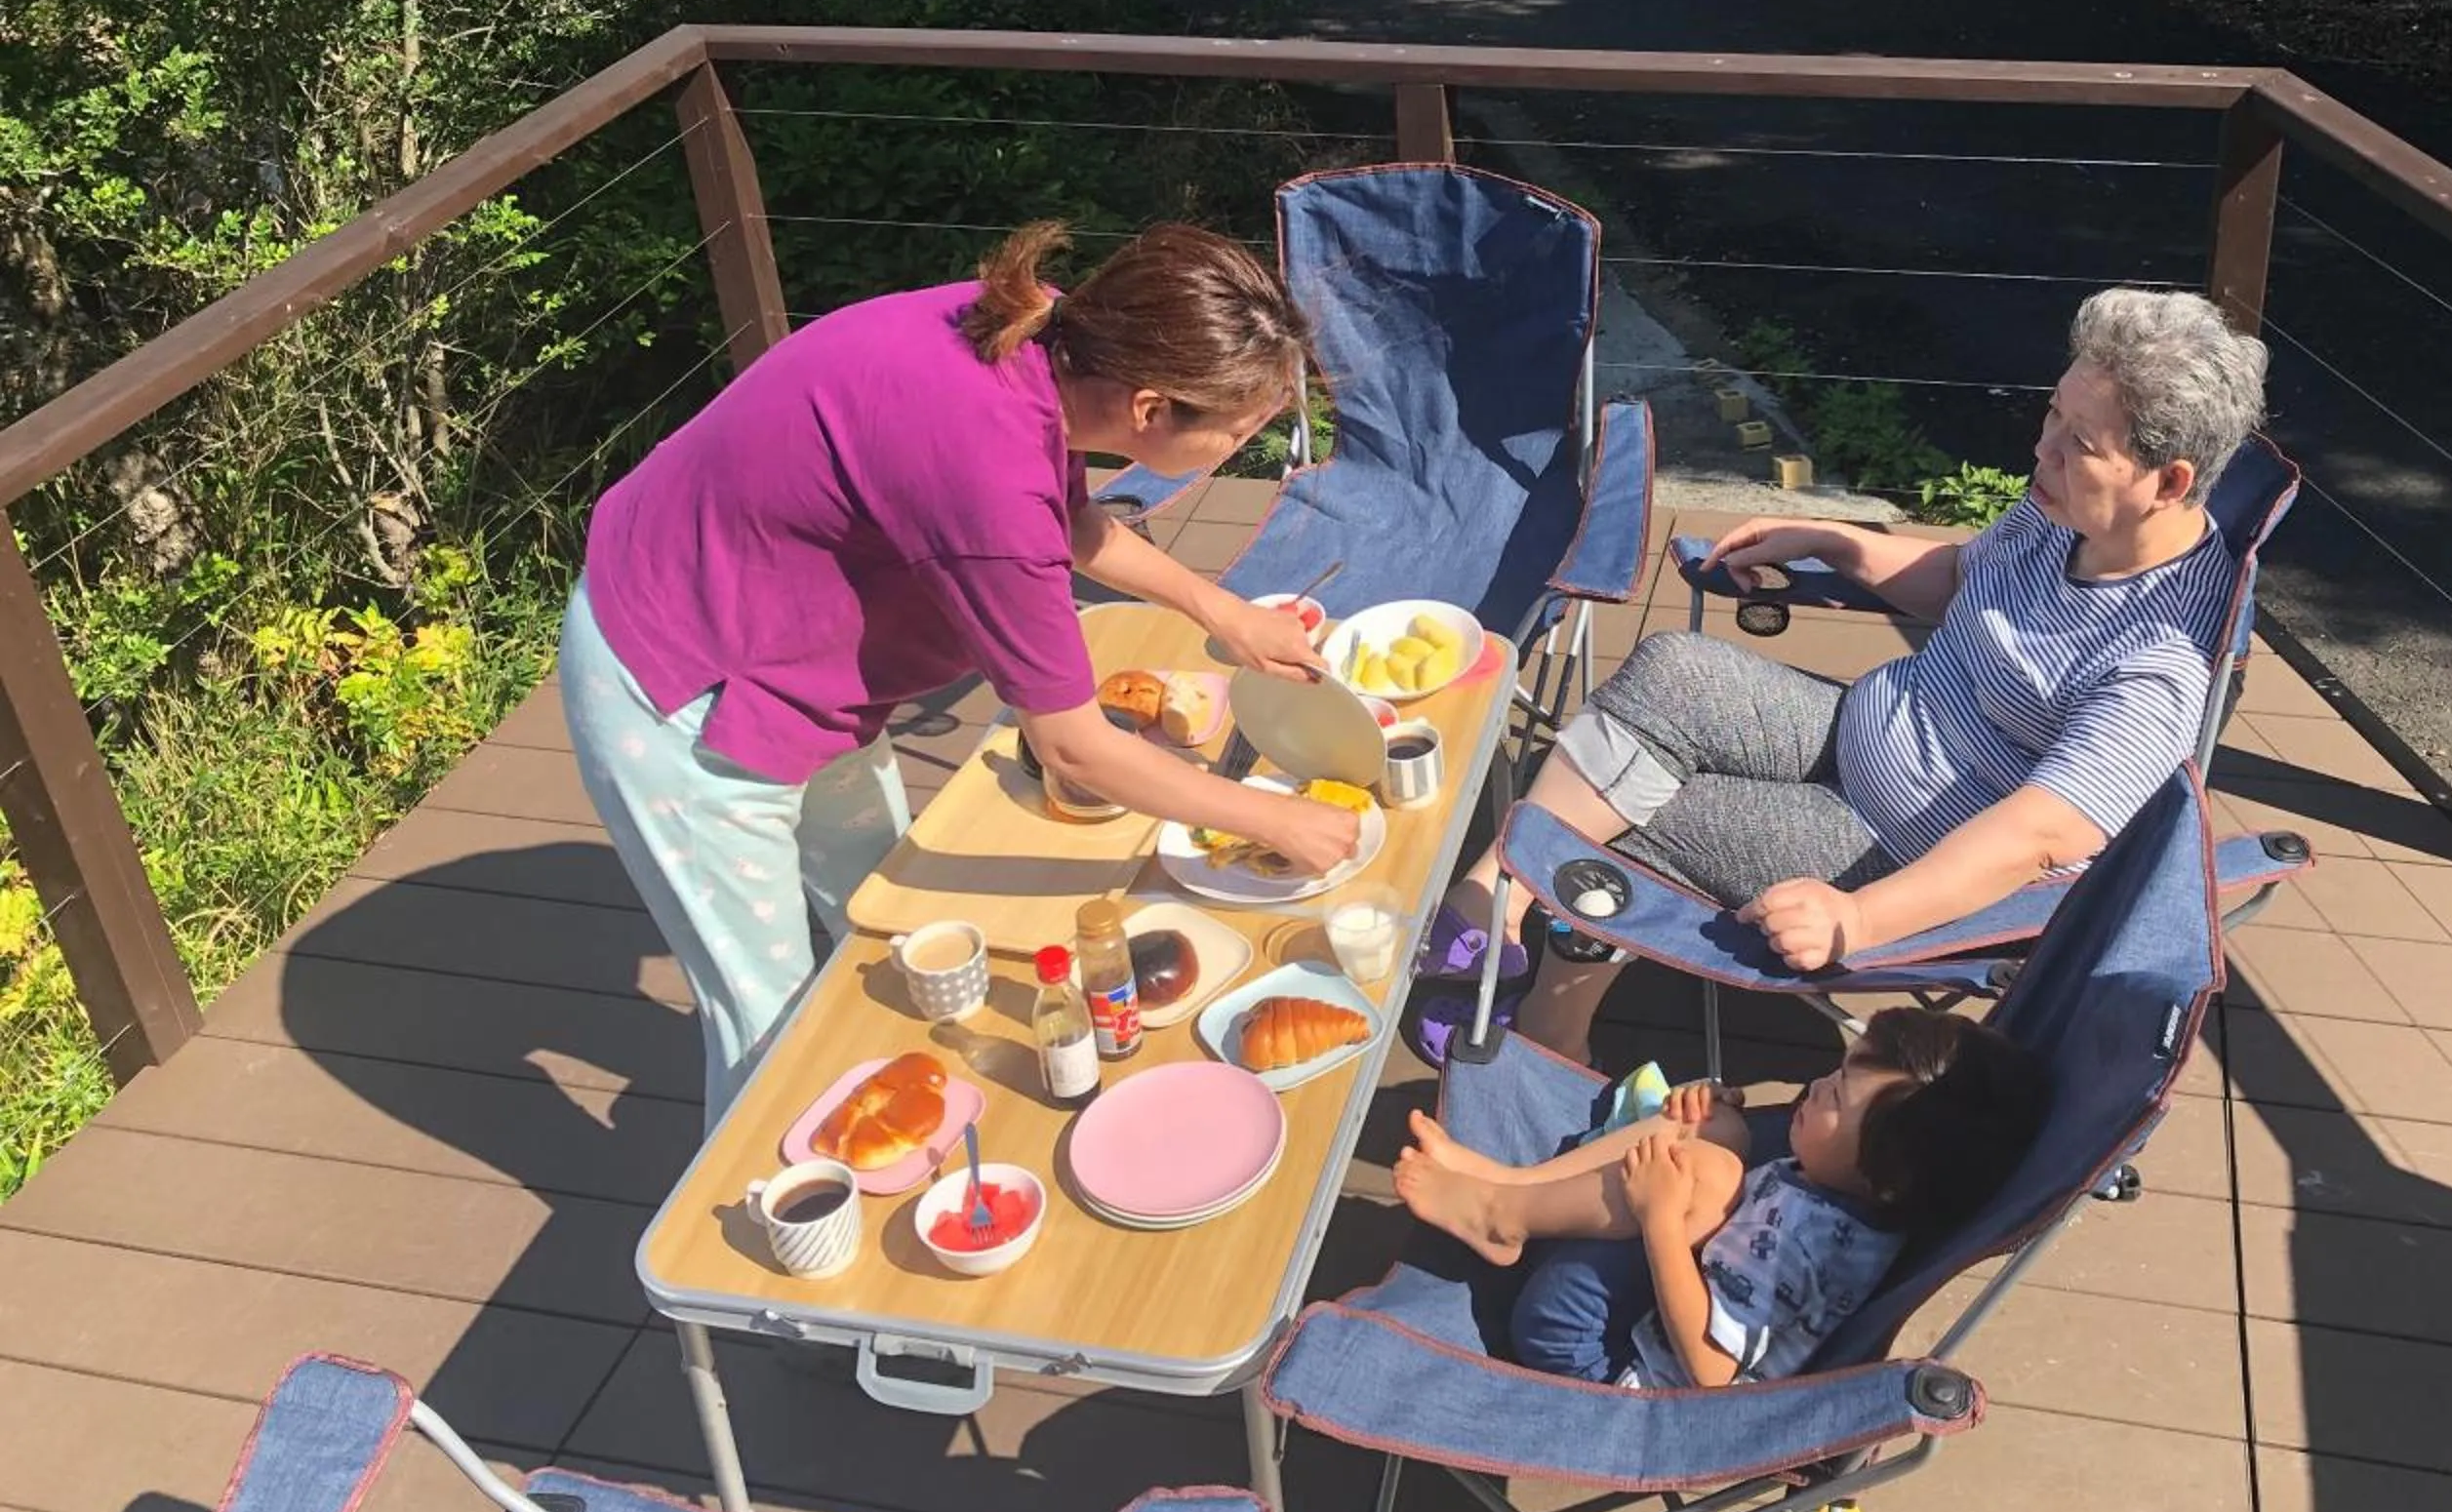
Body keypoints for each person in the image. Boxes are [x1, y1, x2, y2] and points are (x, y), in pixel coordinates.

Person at [559, 222, 1360, 1123]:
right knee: (769, 1022)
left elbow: (1060, 517)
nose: (1240, 451)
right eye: (1238, 433)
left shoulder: (1050, 334)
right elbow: (1074, 750)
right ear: (1148, 407)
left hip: (783, 642)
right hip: (675, 678)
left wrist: (1222, 612)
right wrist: (1276, 817)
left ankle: (886, 1111)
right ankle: (744, 1235)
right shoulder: (986, 463)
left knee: (892, 920)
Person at [1411, 286, 2269, 1065]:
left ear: (2171, 481)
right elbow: (1962, 579)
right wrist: (1833, 541)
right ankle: (1494, 898)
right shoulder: (2071, 512)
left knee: (1646, 816)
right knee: (1673, 667)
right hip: (1871, 725)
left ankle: (1551, 1039)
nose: (2040, 448)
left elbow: (2036, 837)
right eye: (2050, 416)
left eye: (2076, 442)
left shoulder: (2163, 661)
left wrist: (1857, 918)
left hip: (1905, 850)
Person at [1392, 1009, 2050, 1387]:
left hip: (1607, 1357)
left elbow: (1709, 1369)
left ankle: (1502, 1219)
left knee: (1704, 1173)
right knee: (1713, 1129)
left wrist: (1659, 1221)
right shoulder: (1855, 1190)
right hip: (1663, 1307)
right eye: (1834, 1072)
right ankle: (1505, 1186)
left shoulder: (1807, 1245)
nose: (1816, 1086)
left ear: (1887, 1174)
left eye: (1837, 1097)